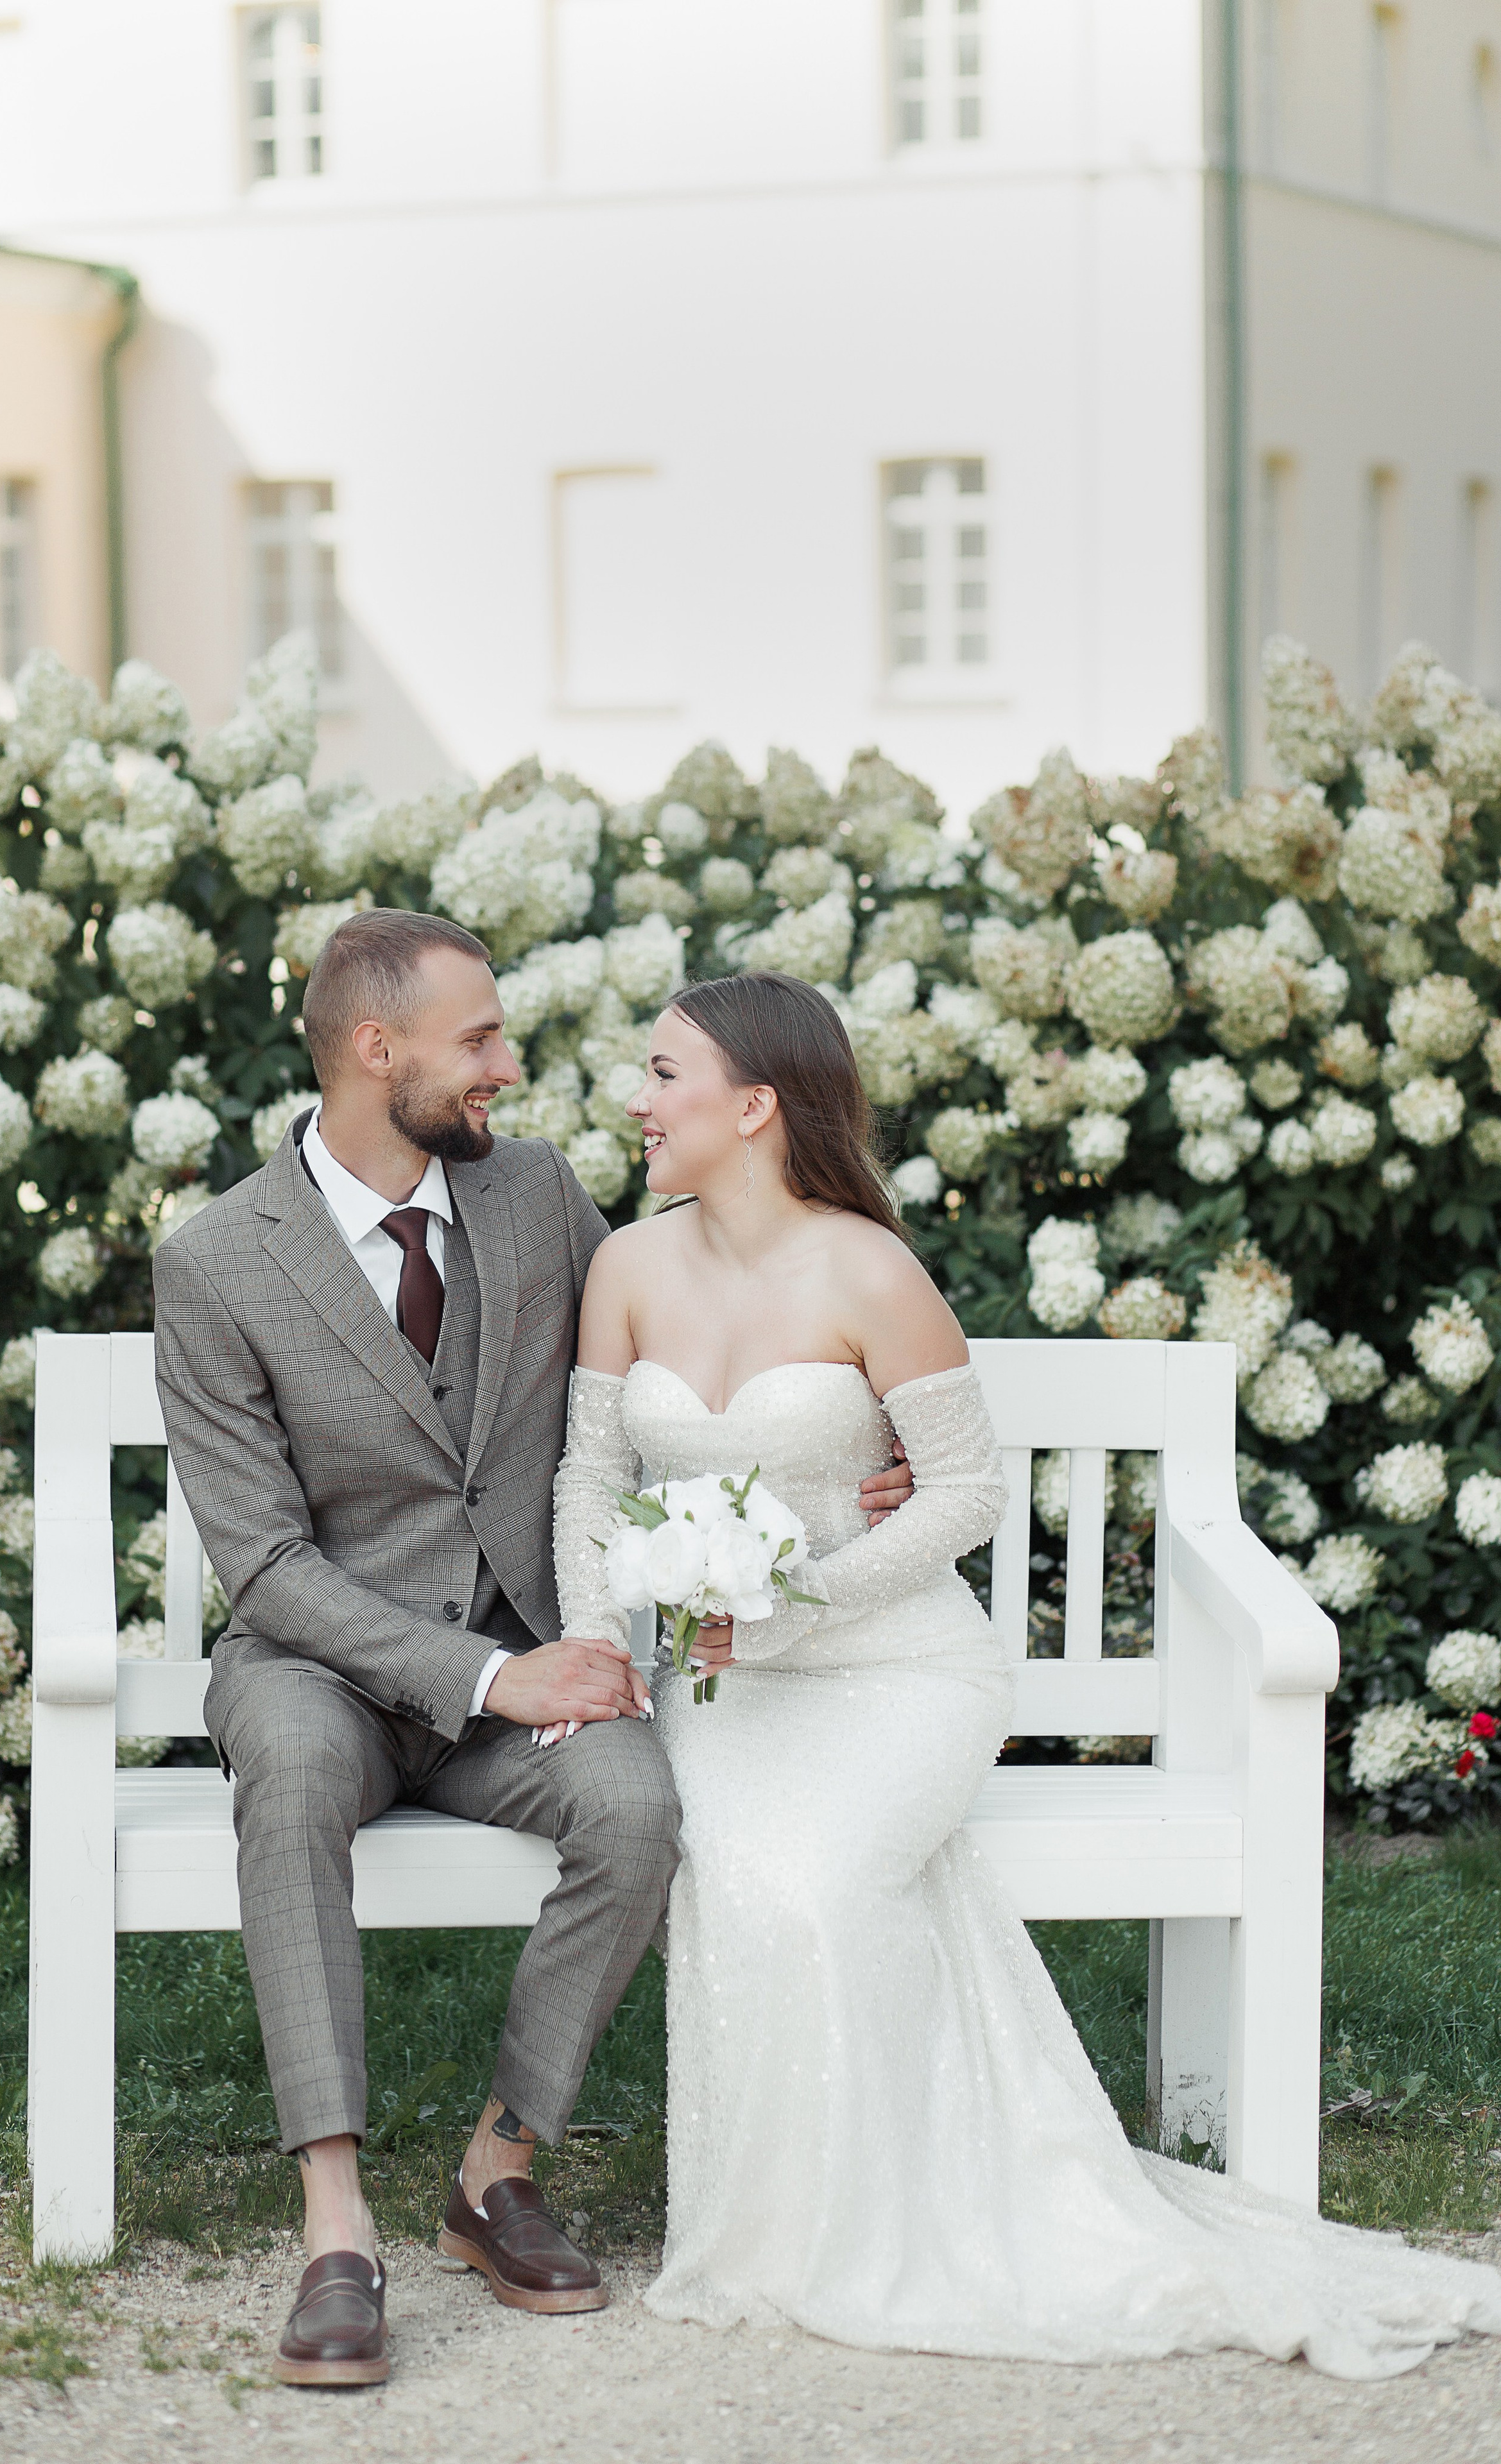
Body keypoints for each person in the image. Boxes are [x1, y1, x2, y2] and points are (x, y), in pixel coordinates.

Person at [551, 968, 1501, 2380]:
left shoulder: (869, 1267)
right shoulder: (627, 1265)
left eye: (662, 1071)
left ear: (752, 1104)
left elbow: (961, 1494)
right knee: (736, 1869)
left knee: (811, 1882)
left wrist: (801, 1600)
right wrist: (592, 1645)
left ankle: (884, 2225)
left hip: (896, 1673)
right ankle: (773, 2227)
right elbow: (589, 1477)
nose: (636, 1097)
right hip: (719, 1690)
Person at [151, 914, 911, 2388]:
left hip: (527, 1645)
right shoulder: (217, 1266)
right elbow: (265, 1568)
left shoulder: (538, 1198)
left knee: (635, 1808)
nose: (511, 1063)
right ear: (381, 1052)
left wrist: (846, 1467)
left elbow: (689, 1345)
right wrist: (497, 1680)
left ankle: (495, 2173)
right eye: (482, 1038)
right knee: (294, 1770)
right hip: (323, 1667)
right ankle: (334, 2230)